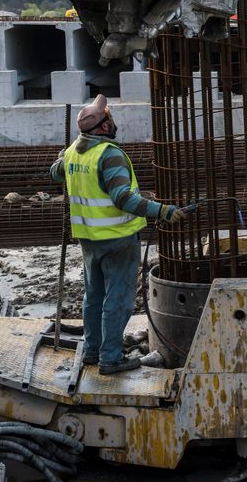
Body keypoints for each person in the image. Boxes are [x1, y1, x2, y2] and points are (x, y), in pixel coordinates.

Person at [50, 95, 185, 374]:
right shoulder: (109, 154)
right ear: (102, 126)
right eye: (109, 118)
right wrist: (162, 211)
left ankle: (92, 350)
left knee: (94, 296)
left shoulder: (75, 150)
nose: (113, 122)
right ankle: (110, 358)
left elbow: (55, 172)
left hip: (88, 238)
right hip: (117, 238)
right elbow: (123, 198)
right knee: (118, 300)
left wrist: (62, 157)